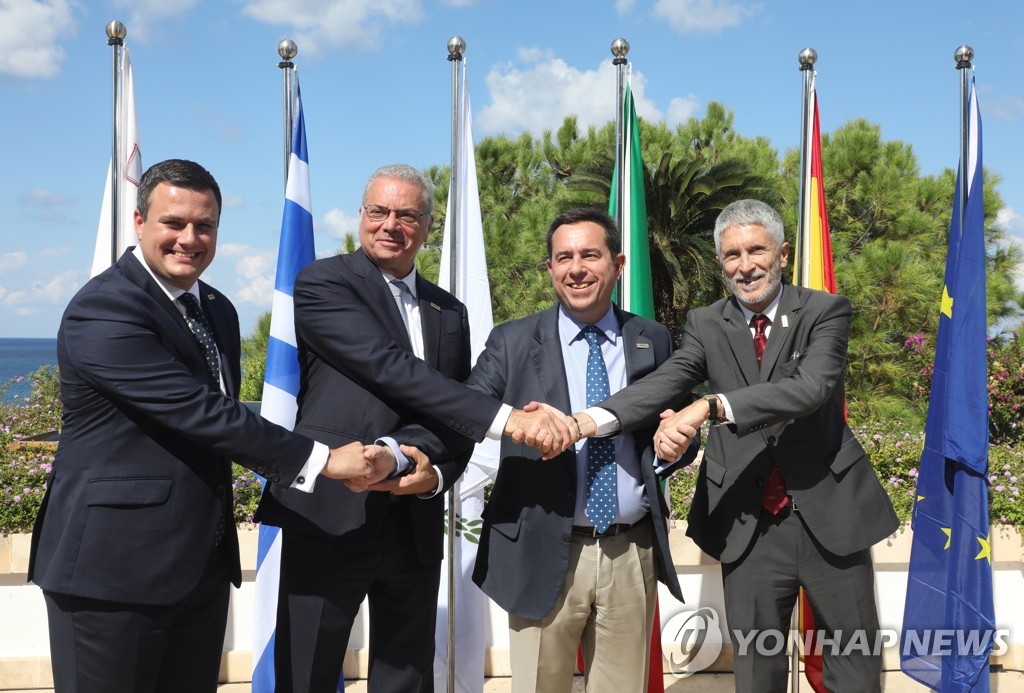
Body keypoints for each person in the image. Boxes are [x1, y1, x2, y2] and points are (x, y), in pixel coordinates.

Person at [27, 159, 375, 693]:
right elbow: (200, 413)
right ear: (140, 221)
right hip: (110, 575)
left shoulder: (218, 309)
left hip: (198, 572)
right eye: (174, 223)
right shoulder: (103, 309)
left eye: (205, 225)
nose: (190, 238)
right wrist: (323, 459)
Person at [255, 164, 570, 693]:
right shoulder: (324, 283)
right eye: (378, 211)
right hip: (334, 513)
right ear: (361, 216)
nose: (390, 225)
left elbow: (453, 411)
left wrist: (435, 471)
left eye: (406, 215)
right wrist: (509, 420)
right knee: (306, 670)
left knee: (406, 676)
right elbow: (389, 369)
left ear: (427, 226)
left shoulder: (449, 310)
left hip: (415, 522)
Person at [570, 199, 899, 692]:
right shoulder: (706, 323)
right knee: (755, 673)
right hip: (749, 526)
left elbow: (809, 389)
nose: (744, 266)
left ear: (782, 253)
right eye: (731, 255)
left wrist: (710, 406)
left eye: (756, 250)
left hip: (832, 518)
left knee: (854, 669)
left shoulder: (824, 310)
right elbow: (669, 380)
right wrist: (587, 421)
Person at [466, 208, 695, 692]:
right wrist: (515, 423)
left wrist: (676, 444)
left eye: (590, 255)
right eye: (563, 257)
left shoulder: (651, 339)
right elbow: (466, 410)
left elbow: (674, 428)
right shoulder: (511, 341)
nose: (576, 269)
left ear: (618, 263)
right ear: (549, 268)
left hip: (630, 549)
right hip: (542, 546)